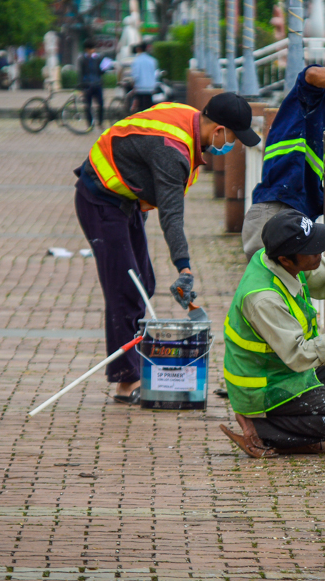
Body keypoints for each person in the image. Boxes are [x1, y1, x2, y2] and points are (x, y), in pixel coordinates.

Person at [74, 93, 262, 405]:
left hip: (126, 201)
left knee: (143, 284)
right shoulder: (172, 151)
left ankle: (136, 369)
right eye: (232, 137)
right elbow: (172, 217)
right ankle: (126, 381)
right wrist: (184, 268)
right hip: (100, 201)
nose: (232, 145)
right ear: (218, 130)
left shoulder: (186, 117)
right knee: (125, 288)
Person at [220, 209, 325, 457]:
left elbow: (323, 275)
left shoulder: (275, 257)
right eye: (313, 250)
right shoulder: (264, 299)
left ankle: (296, 426)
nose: (320, 253)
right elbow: (298, 355)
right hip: (265, 388)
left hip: (279, 370)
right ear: (286, 260)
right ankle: (260, 428)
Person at [241, 52, 325, 261]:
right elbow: (312, 74)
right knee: (266, 288)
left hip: (292, 212)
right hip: (277, 208)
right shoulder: (324, 93)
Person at [78, 39, 105, 128]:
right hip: (87, 85)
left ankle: (100, 122)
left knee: (100, 104)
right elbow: (81, 73)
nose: (93, 50)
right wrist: (81, 87)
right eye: (91, 49)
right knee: (87, 106)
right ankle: (89, 124)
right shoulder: (82, 59)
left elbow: (101, 71)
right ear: (87, 49)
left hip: (97, 84)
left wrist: (105, 68)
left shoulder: (98, 58)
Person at [130, 43, 158, 113]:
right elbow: (156, 74)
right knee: (149, 107)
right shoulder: (152, 60)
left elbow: (136, 75)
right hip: (150, 87)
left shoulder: (137, 61)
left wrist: (133, 84)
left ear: (139, 49)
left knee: (140, 107)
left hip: (140, 87)